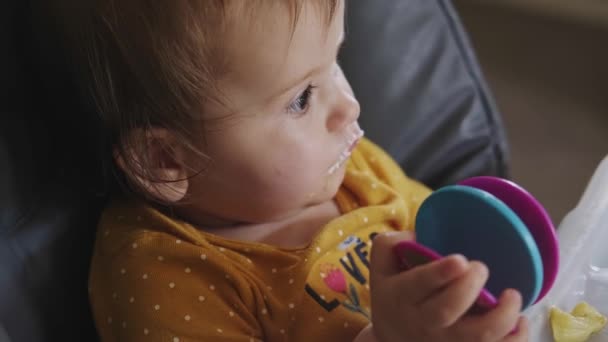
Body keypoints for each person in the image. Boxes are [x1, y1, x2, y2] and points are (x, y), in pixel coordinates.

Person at [49, 0, 528, 340]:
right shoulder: (169, 275)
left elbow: (442, 241)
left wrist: (476, 291)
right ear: (166, 161)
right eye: (301, 98)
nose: (350, 105)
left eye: (334, 62)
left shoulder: (351, 164)